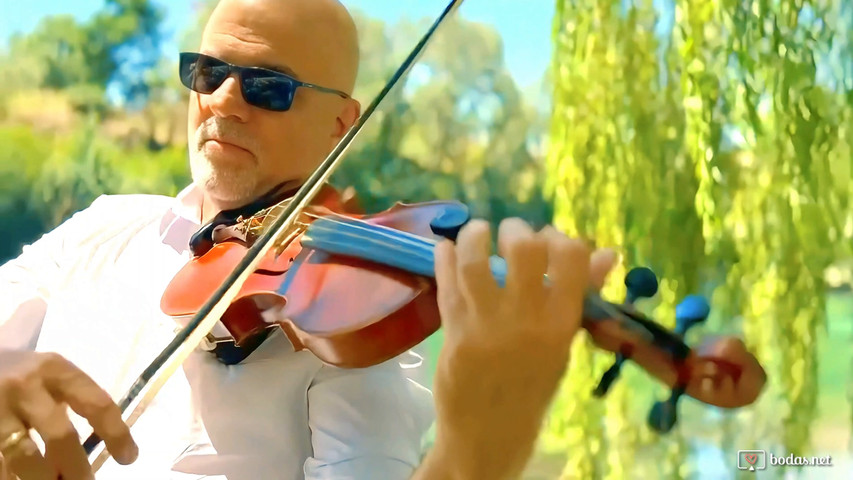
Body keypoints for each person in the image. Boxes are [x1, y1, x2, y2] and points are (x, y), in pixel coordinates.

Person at [0, 0, 617, 479]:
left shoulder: (345, 335)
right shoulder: (104, 224)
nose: (223, 100)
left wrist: (474, 452)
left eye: (269, 87)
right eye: (208, 72)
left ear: (340, 126)